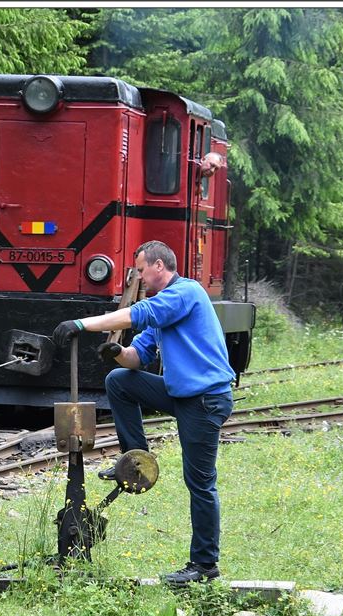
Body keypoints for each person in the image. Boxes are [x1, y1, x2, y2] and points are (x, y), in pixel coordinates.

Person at [51, 240, 235, 585]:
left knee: (200, 482)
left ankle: (204, 566)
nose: (139, 277)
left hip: (206, 400)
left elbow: (140, 313)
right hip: (182, 394)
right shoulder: (164, 311)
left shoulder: (185, 293)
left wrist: (82, 323)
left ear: (159, 266)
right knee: (119, 380)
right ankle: (136, 461)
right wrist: (118, 353)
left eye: (141, 270)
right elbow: (137, 358)